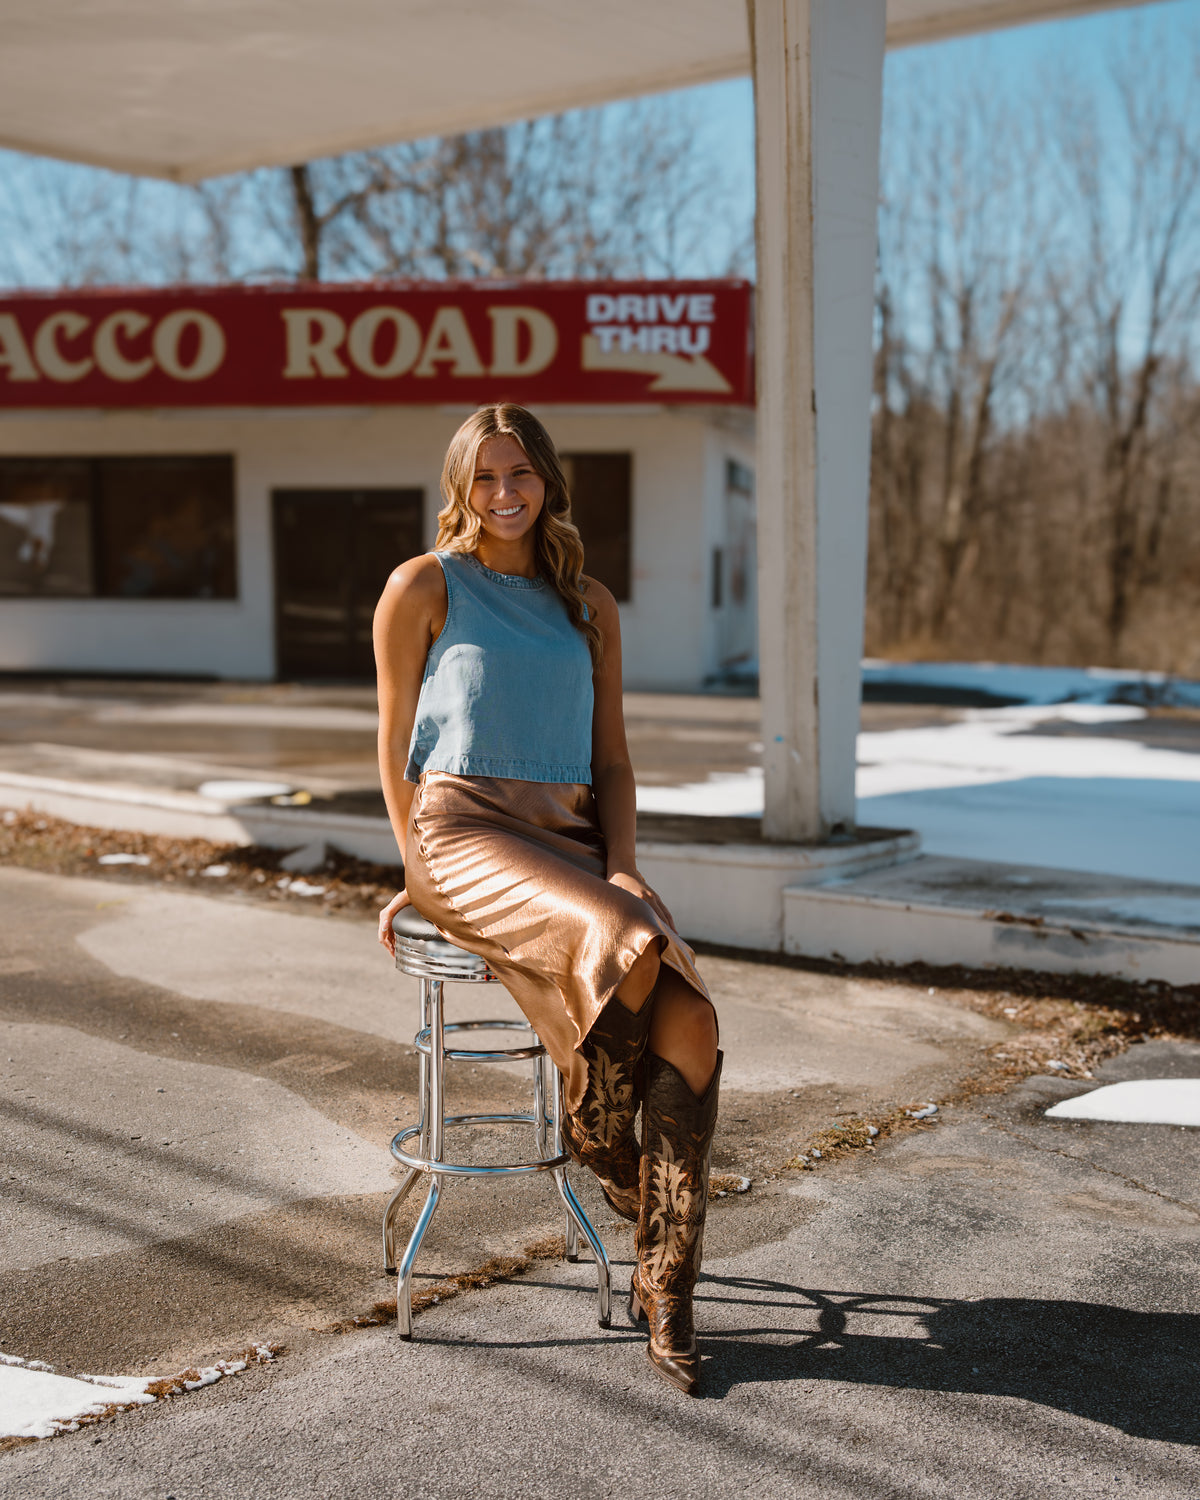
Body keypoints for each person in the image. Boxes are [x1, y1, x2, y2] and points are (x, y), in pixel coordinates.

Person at [373, 403, 721, 1395]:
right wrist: (414, 872)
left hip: (570, 838)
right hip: (463, 832)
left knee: (692, 1020)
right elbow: (394, 750)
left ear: (548, 482)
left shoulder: (589, 604)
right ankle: (606, 1145)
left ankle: (667, 1283)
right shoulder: (422, 586)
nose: (504, 494)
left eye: (520, 473)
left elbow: (613, 760)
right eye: (485, 477)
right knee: (631, 944)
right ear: (461, 487)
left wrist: (623, 862)